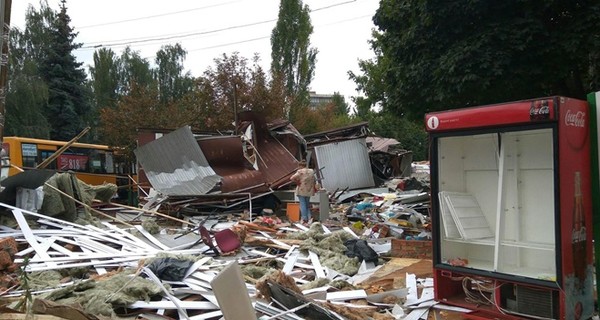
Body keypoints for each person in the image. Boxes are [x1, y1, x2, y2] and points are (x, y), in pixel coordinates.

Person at [290, 160, 316, 224]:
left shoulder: (300, 171)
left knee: (302, 205)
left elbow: (291, 178)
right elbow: (314, 180)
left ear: (300, 166)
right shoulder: (311, 171)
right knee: (307, 204)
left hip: (301, 190)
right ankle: (310, 217)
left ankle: (304, 219)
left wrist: (297, 182)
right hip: (309, 190)